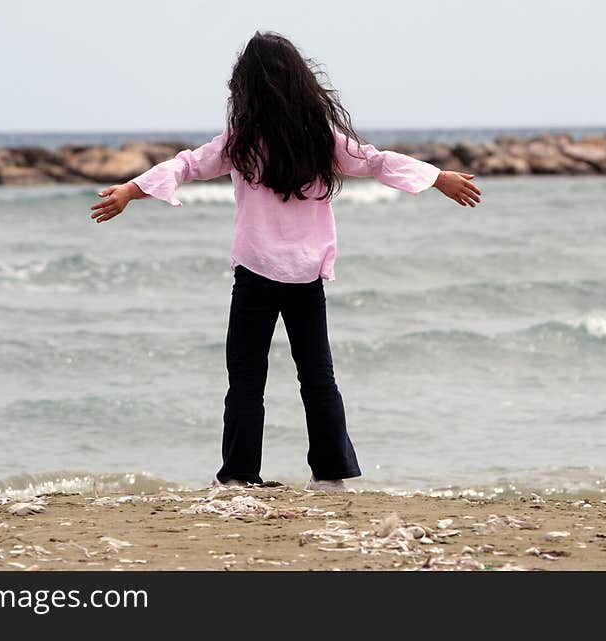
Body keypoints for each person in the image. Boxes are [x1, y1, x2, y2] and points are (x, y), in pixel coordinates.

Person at [89, 31, 481, 491]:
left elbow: (187, 164)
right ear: (299, 82)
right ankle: (331, 475)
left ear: (247, 89)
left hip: (255, 274)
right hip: (307, 276)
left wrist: (131, 191)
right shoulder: (321, 139)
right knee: (317, 377)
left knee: (247, 378)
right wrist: (437, 177)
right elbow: (375, 162)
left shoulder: (242, 141)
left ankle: (239, 476)